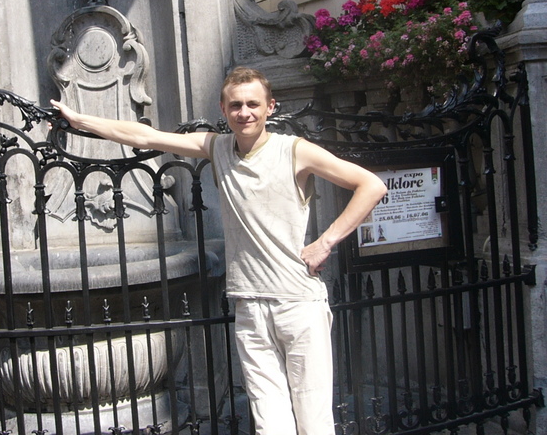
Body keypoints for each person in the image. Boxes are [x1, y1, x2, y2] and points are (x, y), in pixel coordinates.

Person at [51, 66, 387, 435]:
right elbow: (145, 136)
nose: (245, 112)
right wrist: (81, 120)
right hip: (248, 302)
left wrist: (325, 242)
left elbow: (370, 185)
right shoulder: (216, 146)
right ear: (224, 109)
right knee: (269, 423)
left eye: (253, 104)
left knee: (314, 421)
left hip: (297, 303)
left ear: (270, 107)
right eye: (237, 105)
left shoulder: (295, 151)